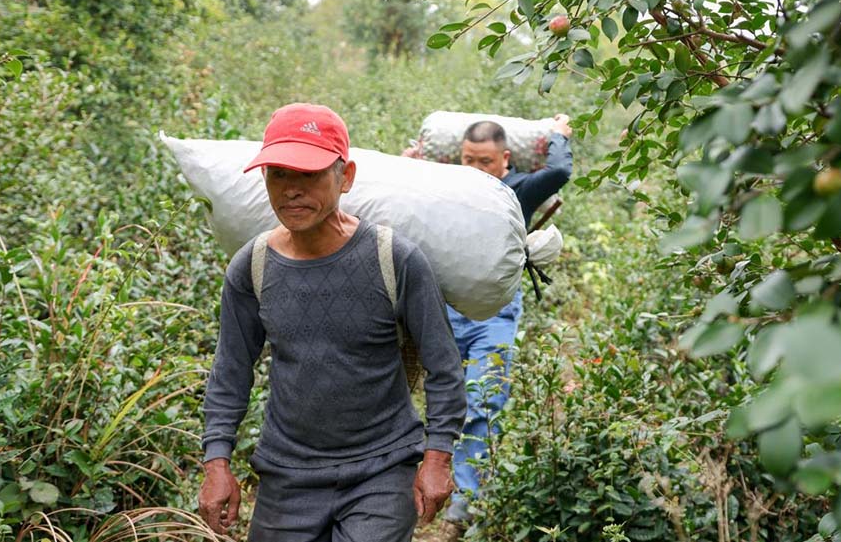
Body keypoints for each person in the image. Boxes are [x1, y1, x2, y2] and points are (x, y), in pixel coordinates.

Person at [198, 103, 467, 542]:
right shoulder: (254, 266)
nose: (291, 190)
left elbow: (444, 367)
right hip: (286, 477)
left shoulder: (394, 260)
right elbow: (230, 370)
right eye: (279, 175)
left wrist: (436, 460)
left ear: (346, 177)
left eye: (309, 174)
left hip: (382, 469)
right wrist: (217, 463)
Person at [441, 114, 573, 533]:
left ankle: (465, 508)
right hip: (445, 309)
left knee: (482, 402)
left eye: (484, 161)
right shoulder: (448, 184)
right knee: (442, 403)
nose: (475, 170)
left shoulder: (517, 189)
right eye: (468, 160)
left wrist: (559, 135)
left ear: (505, 159)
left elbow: (560, 171)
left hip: (494, 313)